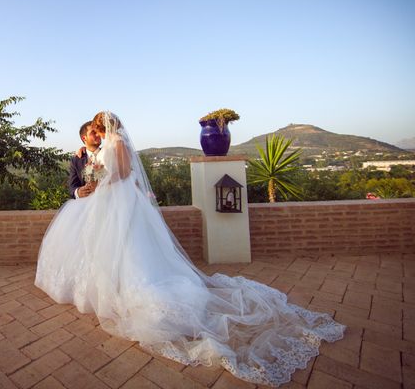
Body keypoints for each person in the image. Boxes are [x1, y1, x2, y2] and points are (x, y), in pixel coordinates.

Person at [35, 111, 345, 387]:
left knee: (130, 246)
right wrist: (96, 179)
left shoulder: (116, 145)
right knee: (114, 247)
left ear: (103, 129)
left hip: (120, 200)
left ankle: (136, 291)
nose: (96, 134)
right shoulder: (98, 149)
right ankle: (114, 286)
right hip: (109, 202)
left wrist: (103, 181)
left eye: (97, 129)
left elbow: (124, 173)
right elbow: (94, 172)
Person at [68, 121, 101, 199]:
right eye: (93, 132)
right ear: (84, 138)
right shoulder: (76, 160)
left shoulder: (109, 154)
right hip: (86, 204)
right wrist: (78, 192)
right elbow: (72, 186)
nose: (98, 134)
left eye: (98, 131)